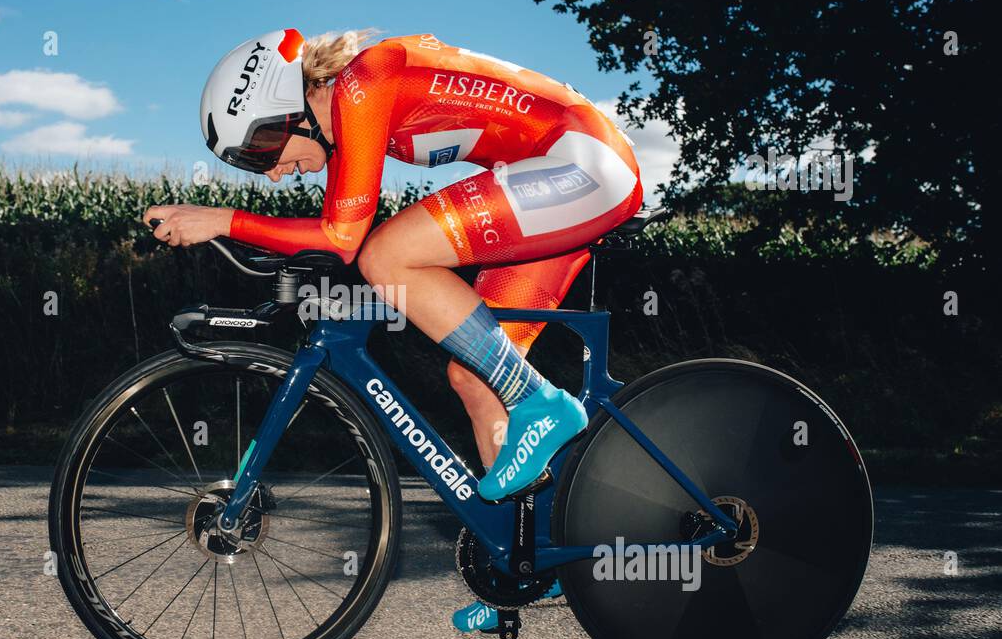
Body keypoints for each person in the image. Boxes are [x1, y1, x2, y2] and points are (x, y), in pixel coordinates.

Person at [145, 28, 642, 505]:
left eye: (260, 151)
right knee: (476, 376)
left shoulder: (364, 83)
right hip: (564, 176)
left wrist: (221, 220)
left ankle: (542, 403)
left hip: (582, 161)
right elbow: (330, 240)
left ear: (288, 110)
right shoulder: (346, 123)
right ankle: (521, 567)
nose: (272, 173)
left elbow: (345, 240)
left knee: (387, 255)